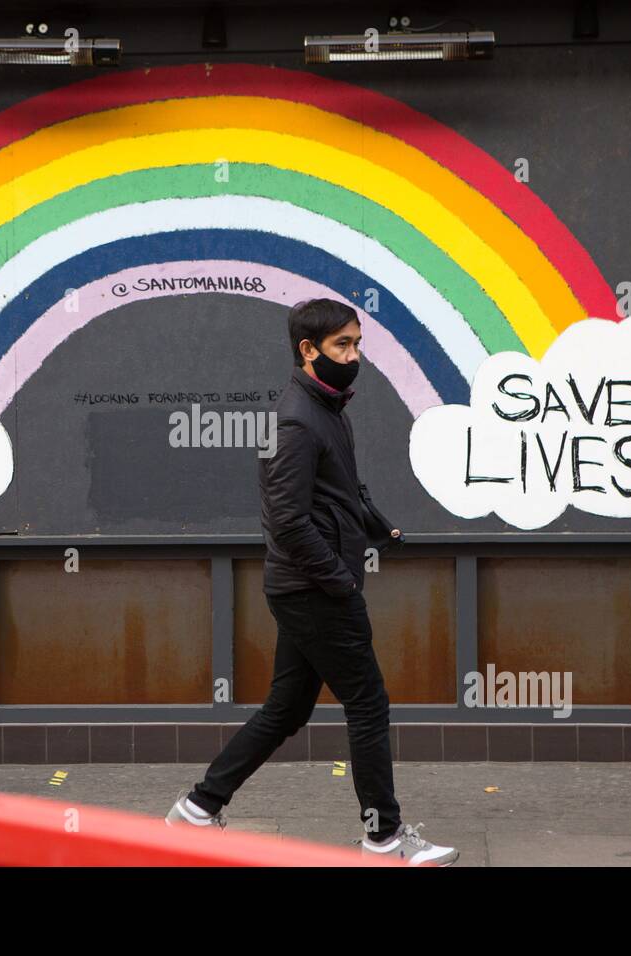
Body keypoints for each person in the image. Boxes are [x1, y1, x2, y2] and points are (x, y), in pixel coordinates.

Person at [166, 298, 459, 866]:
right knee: (368, 703)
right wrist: (340, 582)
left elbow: (343, 490)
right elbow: (286, 520)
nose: (354, 357)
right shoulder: (296, 419)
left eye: (357, 345)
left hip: (309, 587)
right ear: (308, 350)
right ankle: (386, 839)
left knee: (286, 708)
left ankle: (199, 810)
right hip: (315, 589)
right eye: (342, 346)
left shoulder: (328, 411)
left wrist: (379, 526)